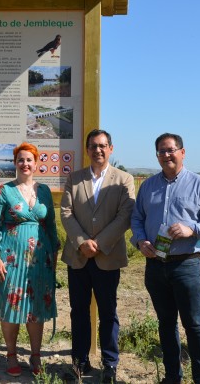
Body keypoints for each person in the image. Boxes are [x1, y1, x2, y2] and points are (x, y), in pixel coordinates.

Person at [130, 133, 200, 384]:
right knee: (166, 324)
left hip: (186, 265)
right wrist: (140, 241)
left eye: (171, 150)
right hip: (155, 265)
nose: (166, 155)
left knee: (194, 325)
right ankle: (172, 377)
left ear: (183, 152)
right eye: (161, 151)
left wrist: (191, 228)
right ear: (157, 155)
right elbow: (137, 218)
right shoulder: (148, 186)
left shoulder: (199, 183)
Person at [60, 129, 135, 383]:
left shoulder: (124, 179)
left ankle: (110, 364)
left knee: (108, 312)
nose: (98, 150)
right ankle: (80, 362)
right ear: (87, 149)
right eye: (93, 145)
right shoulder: (74, 178)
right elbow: (66, 213)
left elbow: (125, 215)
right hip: (78, 257)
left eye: (103, 145)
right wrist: (82, 242)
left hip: (107, 256)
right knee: (78, 311)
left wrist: (99, 243)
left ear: (111, 148)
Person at [0, 142, 60, 377]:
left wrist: (54, 256)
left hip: (40, 260)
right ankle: (11, 355)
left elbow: (52, 225)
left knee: (36, 307)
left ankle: (36, 356)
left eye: (29, 160)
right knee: (11, 305)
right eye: (21, 160)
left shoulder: (44, 191)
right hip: (10, 258)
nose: (25, 164)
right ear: (15, 163)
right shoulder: (4, 191)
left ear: (36, 164)